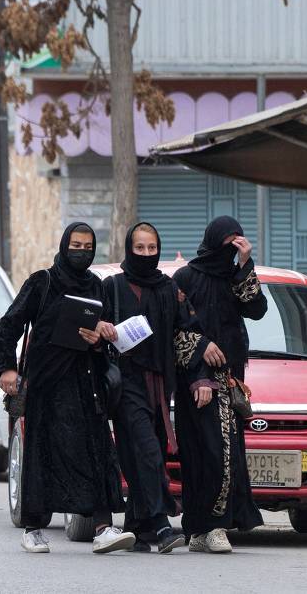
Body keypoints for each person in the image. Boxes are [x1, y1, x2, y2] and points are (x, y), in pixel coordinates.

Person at [0, 222, 130, 554]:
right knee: (43, 456)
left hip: (87, 385)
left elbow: (106, 334)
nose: (81, 252)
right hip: (47, 385)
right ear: (63, 245)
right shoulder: (43, 282)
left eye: (88, 247)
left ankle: (102, 527)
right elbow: (9, 324)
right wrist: (6, 368)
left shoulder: (96, 286)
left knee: (96, 453)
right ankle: (34, 528)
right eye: (76, 245)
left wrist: (102, 335)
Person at [102, 222, 207, 554]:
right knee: (146, 449)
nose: (146, 254)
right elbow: (92, 324)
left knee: (147, 452)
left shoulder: (168, 289)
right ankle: (162, 524)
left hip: (161, 385)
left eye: (151, 248)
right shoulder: (113, 287)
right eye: (139, 248)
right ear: (128, 249)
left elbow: (187, 333)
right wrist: (102, 328)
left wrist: (201, 374)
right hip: (125, 383)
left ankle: (138, 526)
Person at [172, 216, 267, 554]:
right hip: (193, 379)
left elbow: (256, 309)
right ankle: (197, 527)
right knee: (197, 454)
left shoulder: (234, 276)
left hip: (227, 378)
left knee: (223, 454)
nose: (229, 250)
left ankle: (216, 525)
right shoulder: (185, 277)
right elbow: (174, 326)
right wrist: (200, 346)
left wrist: (244, 264)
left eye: (235, 243)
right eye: (226, 244)